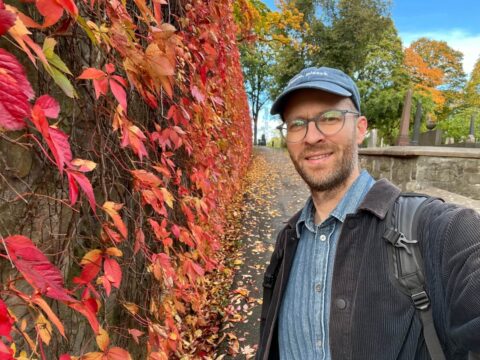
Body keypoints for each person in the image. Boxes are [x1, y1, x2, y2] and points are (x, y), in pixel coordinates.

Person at [256, 66, 480, 360]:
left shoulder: (434, 229)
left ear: (360, 128)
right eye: (297, 123)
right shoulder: (288, 239)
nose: (311, 136)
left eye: (330, 118)